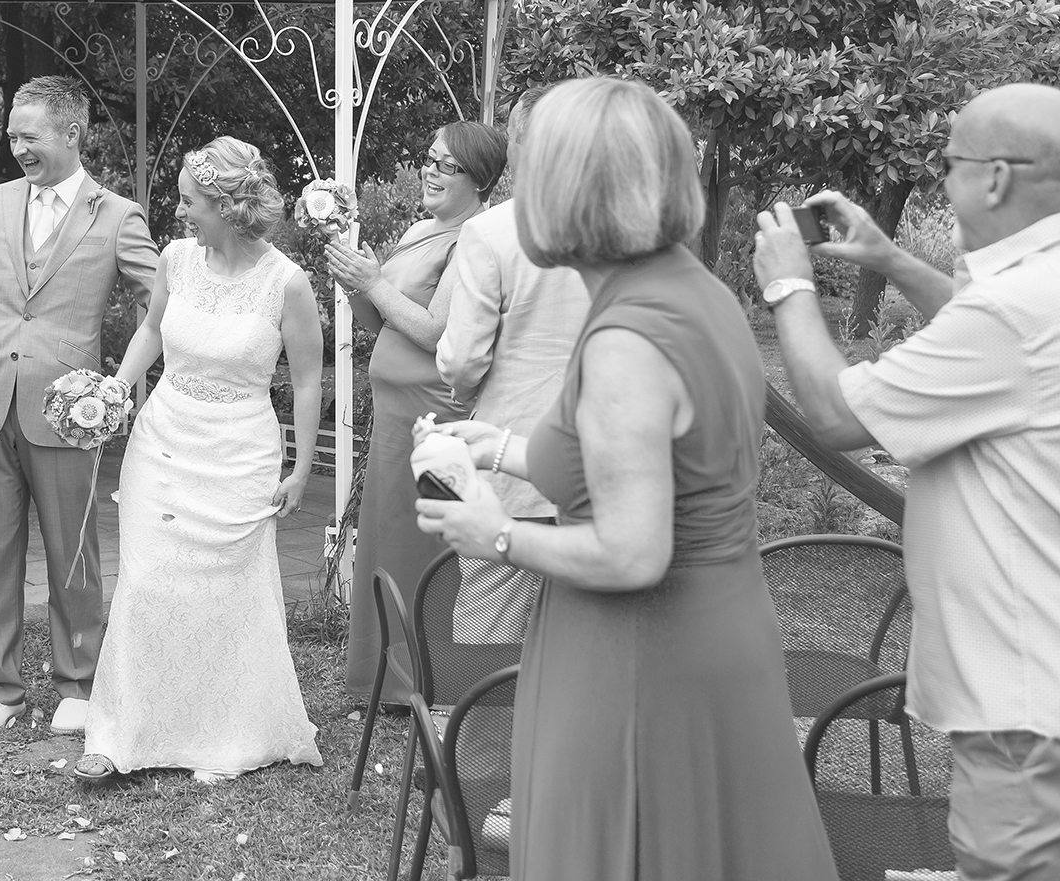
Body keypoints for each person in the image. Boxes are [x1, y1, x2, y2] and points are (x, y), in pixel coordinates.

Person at [411, 77, 837, 881]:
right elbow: (657, 464)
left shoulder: (625, 341)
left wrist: (493, 534)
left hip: (642, 655)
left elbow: (632, 552)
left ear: (568, 194)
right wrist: (503, 448)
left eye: (531, 170)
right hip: (712, 631)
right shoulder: (693, 291)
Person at [754, 82, 1060, 880]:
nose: (942, 182)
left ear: (995, 177)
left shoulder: (1013, 311)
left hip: (1025, 703)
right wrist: (890, 260)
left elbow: (835, 414)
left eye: (948, 164)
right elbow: (987, 325)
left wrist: (788, 285)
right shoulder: (1035, 291)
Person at [0, 76, 159, 737]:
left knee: (72, 553)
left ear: (71, 133)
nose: (17, 148)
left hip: (68, 412)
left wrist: (120, 385)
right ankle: (1, 689)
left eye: (30, 136)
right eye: (12, 136)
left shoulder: (118, 215)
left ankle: (78, 684)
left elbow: (162, 306)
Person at [74, 136, 324, 784]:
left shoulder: (287, 284)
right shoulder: (176, 260)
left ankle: (225, 732)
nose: (180, 211)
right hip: (164, 442)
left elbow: (305, 380)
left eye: (190, 201)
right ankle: (122, 732)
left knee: (227, 591)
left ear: (229, 206)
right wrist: (113, 391)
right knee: (146, 581)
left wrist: (299, 468)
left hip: (241, 451)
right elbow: (151, 331)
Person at [328, 120, 505, 704]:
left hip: (434, 415)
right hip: (392, 412)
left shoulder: (472, 240)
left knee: (425, 543)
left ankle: (429, 681)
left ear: (480, 180)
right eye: (429, 158)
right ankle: (380, 678)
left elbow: (436, 331)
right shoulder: (417, 231)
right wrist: (357, 285)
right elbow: (380, 320)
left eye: (447, 165)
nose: (431, 170)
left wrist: (375, 282)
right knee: (387, 537)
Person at [431, 87, 591, 646]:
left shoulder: (493, 231)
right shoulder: (623, 229)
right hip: (598, 465)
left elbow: (463, 357)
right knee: (583, 641)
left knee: (491, 639)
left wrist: (459, 390)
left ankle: (483, 707)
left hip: (512, 457)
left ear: (524, 145)